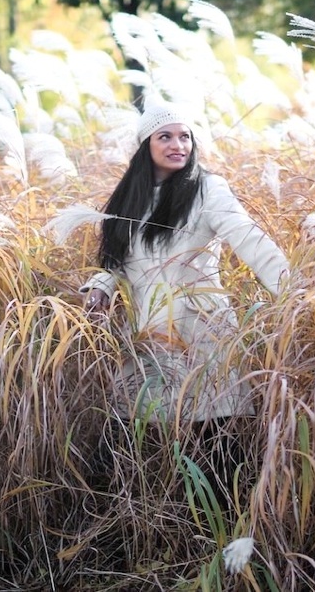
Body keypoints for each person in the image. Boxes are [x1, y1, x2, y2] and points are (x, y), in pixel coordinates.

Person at [81, 98, 290, 432]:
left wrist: (294, 293)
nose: (177, 145)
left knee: (213, 438)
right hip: (147, 331)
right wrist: (101, 286)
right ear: (145, 145)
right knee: (141, 437)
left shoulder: (208, 189)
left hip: (200, 331)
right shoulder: (129, 197)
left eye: (185, 136)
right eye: (164, 137)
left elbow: (252, 241)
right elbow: (119, 258)